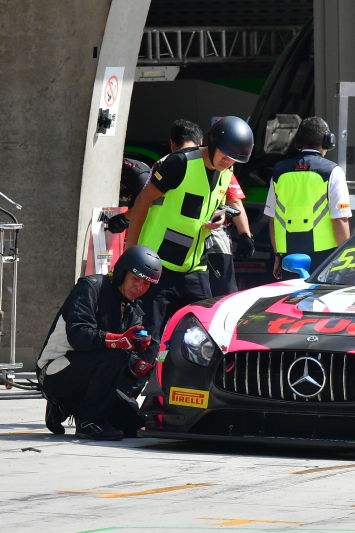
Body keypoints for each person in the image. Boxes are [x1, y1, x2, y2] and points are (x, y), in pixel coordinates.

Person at [123, 116, 254, 378]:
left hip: (195, 266)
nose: (228, 162)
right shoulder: (179, 164)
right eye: (226, 155)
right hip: (157, 265)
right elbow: (142, 203)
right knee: (147, 338)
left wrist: (222, 217)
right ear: (213, 142)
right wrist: (131, 253)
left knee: (207, 333)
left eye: (234, 160)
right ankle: (127, 398)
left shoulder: (226, 172)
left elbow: (210, 206)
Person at [37, 246, 162, 440]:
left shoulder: (133, 308)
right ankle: (88, 421)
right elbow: (78, 335)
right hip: (54, 371)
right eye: (136, 279)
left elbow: (128, 355)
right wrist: (120, 341)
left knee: (134, 425)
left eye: (147, 284)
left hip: (90, 371)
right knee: (114, 354)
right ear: (122, 272)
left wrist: (146, 368)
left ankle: (66, 406)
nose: (140, 287)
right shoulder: (90, 286)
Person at [265, 116, 351, 278]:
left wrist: (277, 256)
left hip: (289, 259)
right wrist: (346, 260)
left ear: (298, 142)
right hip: (325, 258)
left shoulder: (279, 171)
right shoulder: (332, 171)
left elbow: (272, 221)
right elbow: (340, 220)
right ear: (327, 141)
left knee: (292, 302)